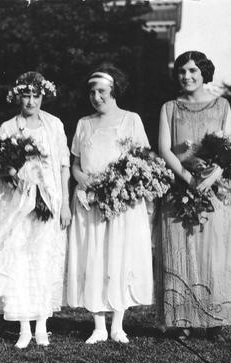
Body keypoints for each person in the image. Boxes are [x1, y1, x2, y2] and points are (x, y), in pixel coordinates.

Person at [156, 51, 231, 339]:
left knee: (214, 252)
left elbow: (229, 146)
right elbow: (165, 148)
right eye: (182, 71)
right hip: (180, 187)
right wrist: (185, 178)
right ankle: (181, 317)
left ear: (204, 72)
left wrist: (212, 176)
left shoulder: (221, 105)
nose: (187, 76)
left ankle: (215, 318)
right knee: (182, 249)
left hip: (215, 188)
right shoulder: (170, 107)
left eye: (193, 71)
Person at [65, 65, 153, 344]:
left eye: (101, 91)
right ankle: (98, 325)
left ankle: (117, 325)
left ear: (114, 91)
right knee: (94, 256)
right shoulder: (83, 123)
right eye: (92, 91)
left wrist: (120, 187)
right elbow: (75, 165)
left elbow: (143, 160)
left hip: (122, 203)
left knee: (118, 256)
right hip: (89, 202)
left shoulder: (131, 120)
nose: (96, 96)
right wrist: (84, 181)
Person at [0, 71, 71, 348]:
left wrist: (65, 203)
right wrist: (9, 169)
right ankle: (23, 326)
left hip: (48, 201)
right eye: (26, 95)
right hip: (17, 204)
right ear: (17, 97)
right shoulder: (8, 128)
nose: (31, 101)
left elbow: (63, 165)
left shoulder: (54, 125)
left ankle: (42, 324)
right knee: (20, 258)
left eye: (36, 95)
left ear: (43, 96)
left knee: (43, 258)